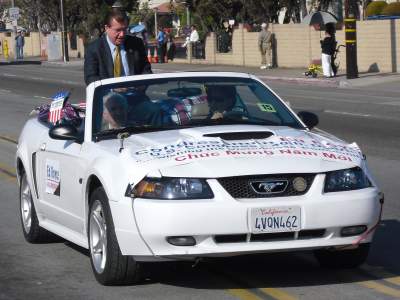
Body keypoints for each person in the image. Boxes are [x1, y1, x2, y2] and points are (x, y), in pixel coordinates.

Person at [84, 9, 152, 86]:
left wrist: (139, 89)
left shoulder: (136, 44)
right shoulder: (94, 49)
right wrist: (112, 89)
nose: (122, 34)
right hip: (107, 96)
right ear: (107, 28)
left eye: (124, 29)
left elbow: (146, 71)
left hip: (134, 94)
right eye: (118, 30)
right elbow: (91, 78)